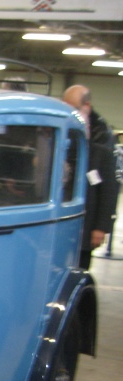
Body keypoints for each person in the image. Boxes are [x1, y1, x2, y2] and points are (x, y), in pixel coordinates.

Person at [62, 85, 119, 269]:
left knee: (80, 265)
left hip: (86, 218)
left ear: (86, 106)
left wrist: (101, 227)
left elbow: (109, 190)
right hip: (64, 214)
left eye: (74, 107)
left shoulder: (102, 137)